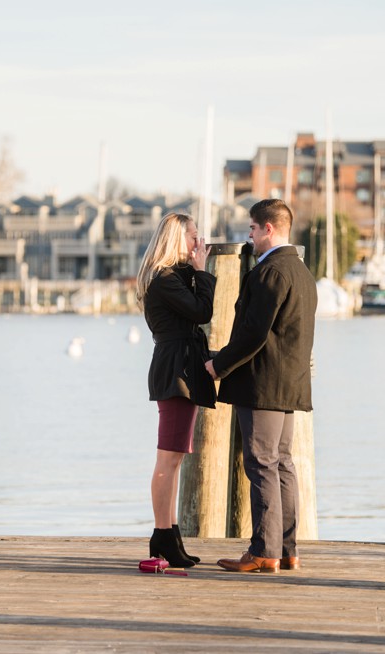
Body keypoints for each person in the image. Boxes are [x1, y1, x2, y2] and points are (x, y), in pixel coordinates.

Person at [205, 198, 317, 573]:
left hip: (263, 383)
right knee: (283, 464)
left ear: (268, 228)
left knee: (262, 464)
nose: (249, 236)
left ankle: (263, 551)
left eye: (252, 228)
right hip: (290, 383)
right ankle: (286, 550)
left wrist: (218, 365)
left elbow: (253, 333)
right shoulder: (302, 271)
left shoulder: (269, 273)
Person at [136, 212, 215, 568]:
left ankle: (168, 535)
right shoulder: (165, 280)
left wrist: (195, 271)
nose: (198, 243)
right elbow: (202, 312)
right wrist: (202, 271)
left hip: (183, 367)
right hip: (175, 372)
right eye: (193, 236)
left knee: (176, 456)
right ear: (175, 239)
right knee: (168, 457)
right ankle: (162, 533)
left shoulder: (172, 277)